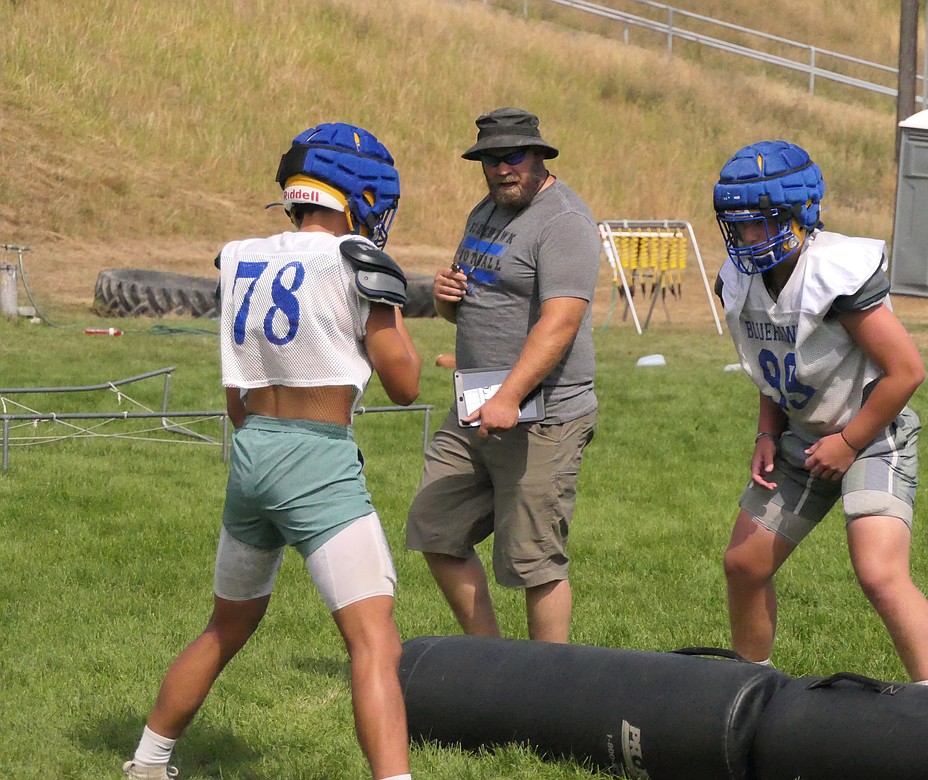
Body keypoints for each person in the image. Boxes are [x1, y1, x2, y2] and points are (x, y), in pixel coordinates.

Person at [123, 122, 422, 780]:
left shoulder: (240, 255)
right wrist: (394, 313)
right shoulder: (354, 260)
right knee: (374, 641)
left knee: (225, 625)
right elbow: (405, 386)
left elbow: (238, 390)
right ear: (359, 195)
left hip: (250, 449)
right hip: (316, 457)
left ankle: (148, 760)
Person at [714, 139, 928, 685]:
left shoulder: (834, 270)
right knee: (743, 565)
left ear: (801, 214)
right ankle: (751, 691)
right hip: (805, 435)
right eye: (740, 224)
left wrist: (849, 443)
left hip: (873, 434)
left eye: (763, 222)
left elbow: (906, 371)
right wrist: (766, 433)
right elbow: (772, 361)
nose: (750, 237)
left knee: (878, 572)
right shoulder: (738, 277)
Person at [405, 107, 599, 644]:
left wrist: (510, 396)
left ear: (539, 156)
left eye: (512, 156)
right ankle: (489, 661)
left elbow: (560, 322)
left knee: (533, 562)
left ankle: (547, 690)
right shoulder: (485, 211)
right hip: (476, 404)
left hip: (544, 416)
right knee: (435, 529)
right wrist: (447, 299)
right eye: (489, 159)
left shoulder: (565, 223)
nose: (501, 169)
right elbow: (478, 303)